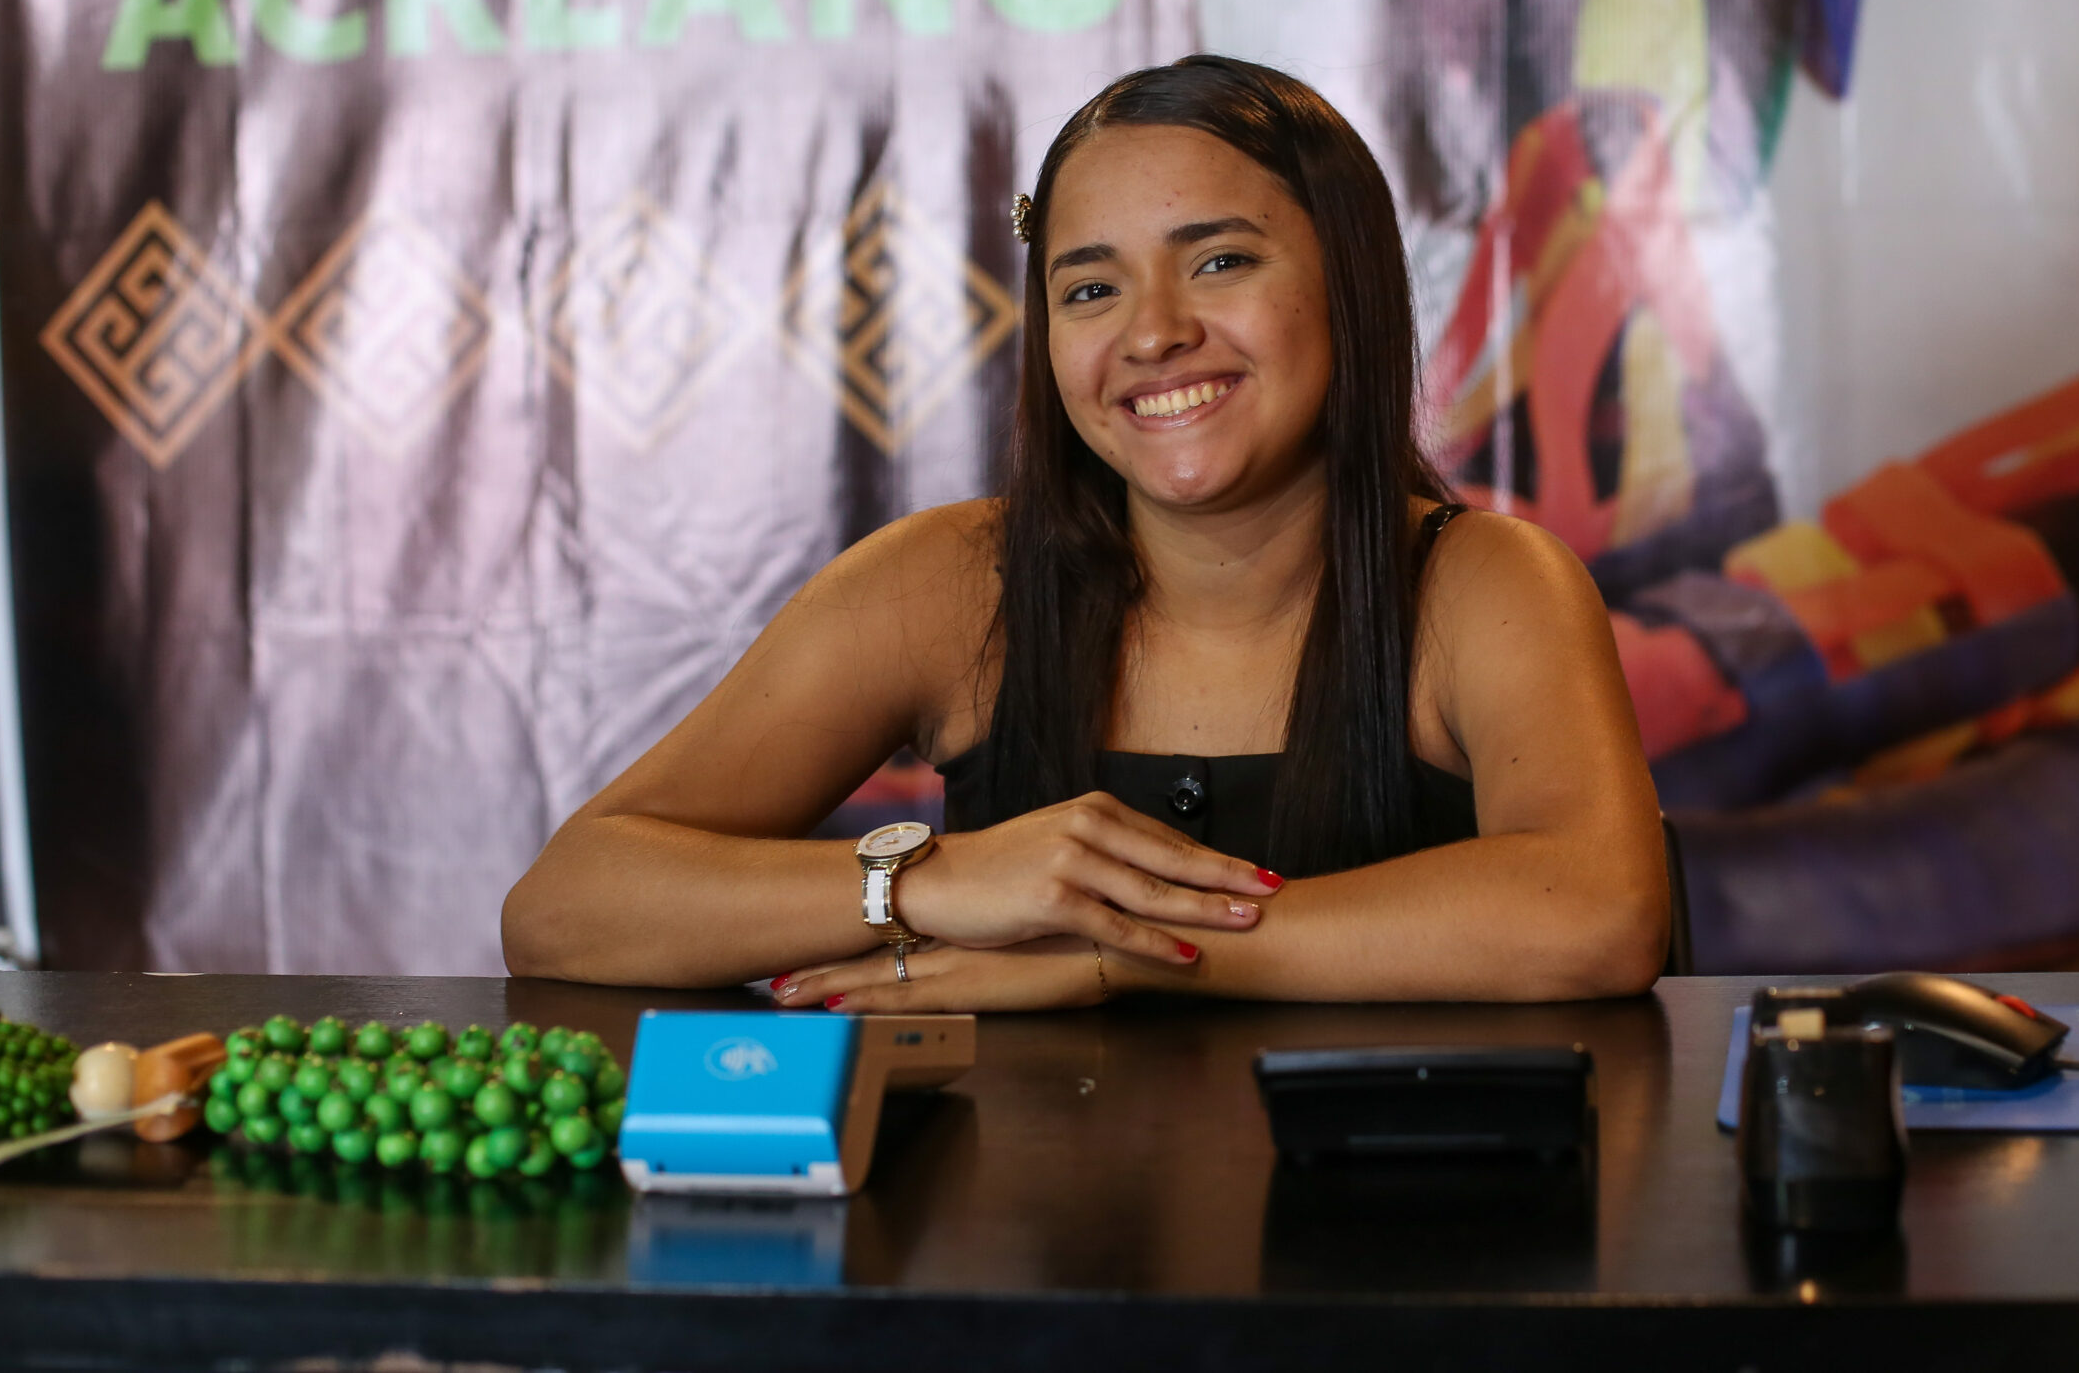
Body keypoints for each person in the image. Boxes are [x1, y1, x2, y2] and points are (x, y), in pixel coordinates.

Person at [501, 56, 1672, 1009]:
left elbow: (1598, 914)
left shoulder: (1484, 583)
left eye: (1219, 261)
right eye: (1091, 289)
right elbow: (566, 907)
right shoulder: (948, 581)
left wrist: (1125, 953)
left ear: (1347, 286)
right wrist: (936, 882)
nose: (1152, 334)